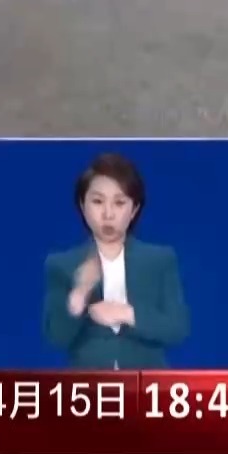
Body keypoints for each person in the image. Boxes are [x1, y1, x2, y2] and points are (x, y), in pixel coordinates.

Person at [42, 153, 189, 368]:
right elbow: (57, 338)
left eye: (119, 203)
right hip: (89, 385)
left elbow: (177, 329)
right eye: (98, 201)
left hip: (146, 383)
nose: (108, 214)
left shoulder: (159, 260)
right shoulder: (62, 265)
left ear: (134, 209)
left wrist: (128, 314)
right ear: (82, 206)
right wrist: (79, 294)